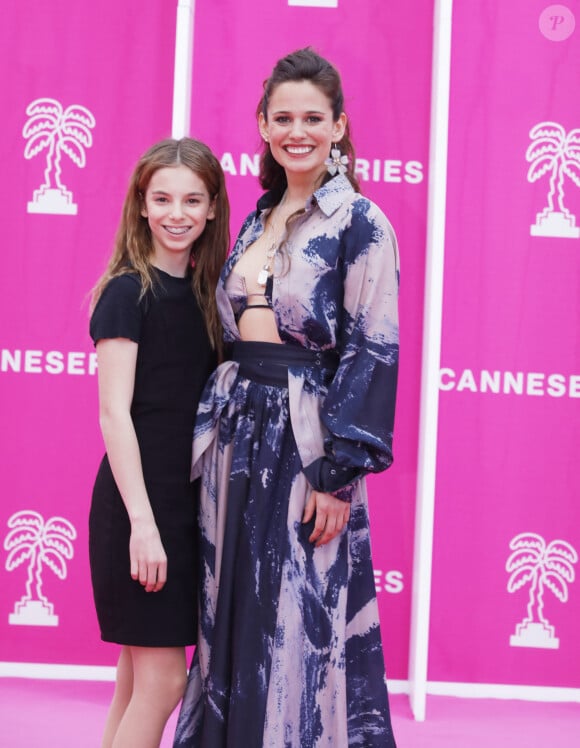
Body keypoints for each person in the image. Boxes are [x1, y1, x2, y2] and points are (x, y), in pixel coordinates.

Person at [174, 48, 399, 747]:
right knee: (229, 615)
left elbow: (371, 349)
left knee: (300, 627)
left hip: (307, 448)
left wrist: (337, 476)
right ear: (263, 127)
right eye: (282, 118)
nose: (296, 130)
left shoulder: (360, 222)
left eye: (312, 117)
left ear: (338, 127)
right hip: (236, 439)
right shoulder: (255, 217)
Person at [88, 137, 229, 748]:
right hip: (139, 509)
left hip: (183, 505)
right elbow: (114, 416)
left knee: (134, 681)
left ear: (213, 208)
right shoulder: (128, 292)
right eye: (163, 198)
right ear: (141, 206)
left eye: (192, 199)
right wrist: (144, 526)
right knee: (165, 681)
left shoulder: (205, 297)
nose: (178, 213)